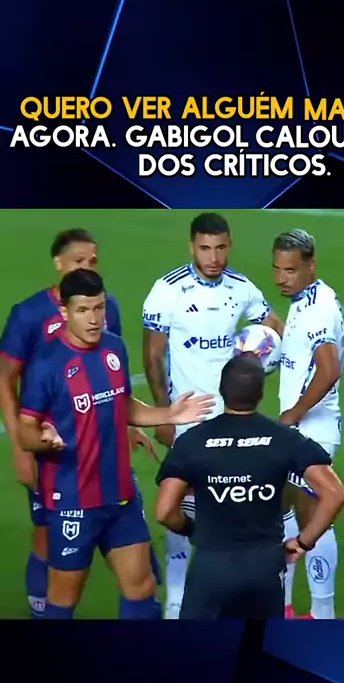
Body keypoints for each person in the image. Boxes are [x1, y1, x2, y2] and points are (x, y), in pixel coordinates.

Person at [17, 269, 213, 620]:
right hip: (73, 502)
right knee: (63, 598)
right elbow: (26, 430)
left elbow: (121, 404)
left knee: (141, 587)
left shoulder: (113, 348)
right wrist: (42, 440)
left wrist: (169, 413)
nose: (94, 319)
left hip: (120, 496)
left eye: (99, 308)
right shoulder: (46, 364)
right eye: (83, 310)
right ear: (64, 312)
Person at [0, 228, 162, 619]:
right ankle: (41, 611)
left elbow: (109, 375)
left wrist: (127, 426)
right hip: (53, 450)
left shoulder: (107, 308)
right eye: (78, 261)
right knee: (47, 540)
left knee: (139, 572)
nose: (87, 267)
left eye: (92, 261)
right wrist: (22, 446)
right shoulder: (28, 315)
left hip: (101, 449)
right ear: (58, 263)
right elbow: (6, 379)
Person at [142, 211, 284, 618]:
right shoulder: (167, 291)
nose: (214, 257)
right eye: (205, 248)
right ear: (192, 246)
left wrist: (265, 354)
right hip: (188, 418)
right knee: (180, 505)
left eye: (221, 247)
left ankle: (236, 596)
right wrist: (165, 415)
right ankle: (176, 603)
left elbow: (273, 325)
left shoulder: (241, 288)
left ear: (229, 245)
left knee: (232, 501)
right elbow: (152, 356)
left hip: (234, 417)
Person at [154, 355, 344, 619]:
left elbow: (164, 511)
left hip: (211, 566)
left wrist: (192, 529)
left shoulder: (192, 442)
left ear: (221, 390)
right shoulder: (284, 439)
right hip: (265, 567)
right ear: (260, 393)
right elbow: (334, 494)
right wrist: (303, 542)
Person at [273, 229, 344, 619]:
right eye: (277, 269)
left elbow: (328, 369)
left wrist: (294, 412)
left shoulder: (320, 308)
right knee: (282, 508)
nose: (281, 278)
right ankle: (284, 605)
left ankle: (321, 612)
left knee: (314, 518)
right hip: (298, 430)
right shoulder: (302, 301)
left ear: (310, 266)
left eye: (290, 270)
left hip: (313, 431)